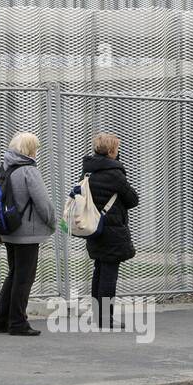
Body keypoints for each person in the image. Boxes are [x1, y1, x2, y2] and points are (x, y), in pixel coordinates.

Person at [0, 132, 55, 337]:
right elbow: (43, 203)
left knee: (13, 274)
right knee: (24, 277)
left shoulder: (4, 167)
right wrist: (53, 223)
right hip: (28, 233)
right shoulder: (29, 171)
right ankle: (18, 322)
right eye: (36, 148)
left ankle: (0, 319)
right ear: (30, 150)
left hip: (9, 230)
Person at [81, 133, 140, 329]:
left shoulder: (88, 172)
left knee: (99, 270)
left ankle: (98, 315)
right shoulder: (115, 173)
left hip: (94, 227)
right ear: (112, 151)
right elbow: (133, 199)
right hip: (112, 230)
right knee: (109, 274)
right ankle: (106, 318)